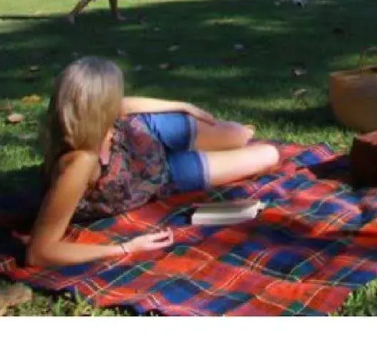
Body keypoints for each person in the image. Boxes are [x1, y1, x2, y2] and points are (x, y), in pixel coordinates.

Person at [26, 57, 279, 268]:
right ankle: (227, 136)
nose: (117, 101)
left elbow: (123, 106)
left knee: (238, 135)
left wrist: (180, 106)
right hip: (164, 176)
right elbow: (40, 252)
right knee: (269, 155)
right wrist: (124, 248)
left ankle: (237, 132)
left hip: (148, 133)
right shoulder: (79, 163)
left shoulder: (96, 116)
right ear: (97, 109)